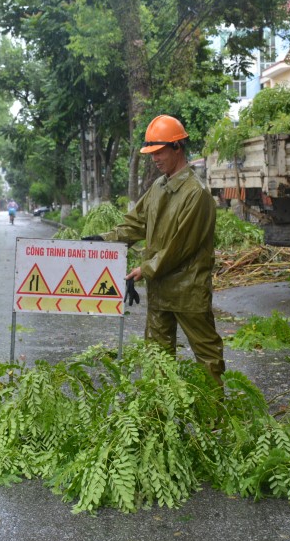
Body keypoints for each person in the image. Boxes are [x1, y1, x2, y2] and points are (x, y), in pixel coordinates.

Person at [88, 115, 225, 387]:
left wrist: (144, 269)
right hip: (160, 290)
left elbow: (180, 246)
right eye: (151, 153)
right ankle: (158, 419)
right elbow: (135, 224)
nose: (155, 159)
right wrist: (102, 241)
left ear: (178, 148)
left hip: (189, 290)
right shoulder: (158, 186)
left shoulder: (196, 194)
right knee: (157, 357)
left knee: (207, 355)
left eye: (159, 152)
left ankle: (214, 419)